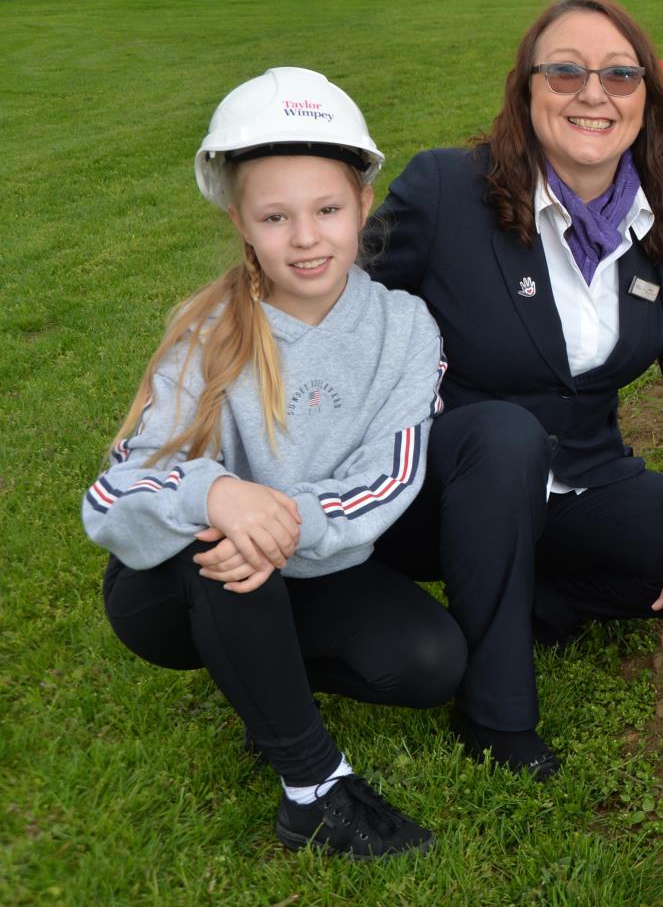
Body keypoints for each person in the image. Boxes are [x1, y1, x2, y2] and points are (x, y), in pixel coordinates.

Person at [365, 0, 663, 780]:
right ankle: (496, 716)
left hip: (578, 477)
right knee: (504, 437)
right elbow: (343, 314)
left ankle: (529, 597)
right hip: (441, 486)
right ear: (526, 90)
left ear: (646, 98)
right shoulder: (446, 191)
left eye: (620, 74)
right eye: (566, 72)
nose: (594, 94)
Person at [84, 68, 462, 857]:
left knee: (430, 663)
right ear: (241, 222)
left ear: (363, 204)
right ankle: (313, 789)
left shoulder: (404, 328)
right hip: (175, 589)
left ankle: (262, 680)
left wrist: (282, 522)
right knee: (224, 540)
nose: (306, 237)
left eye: (327, 210)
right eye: (275, 217)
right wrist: (218, 493)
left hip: (310, 559)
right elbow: (111, 496)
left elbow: (390, 476)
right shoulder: (209, 332)